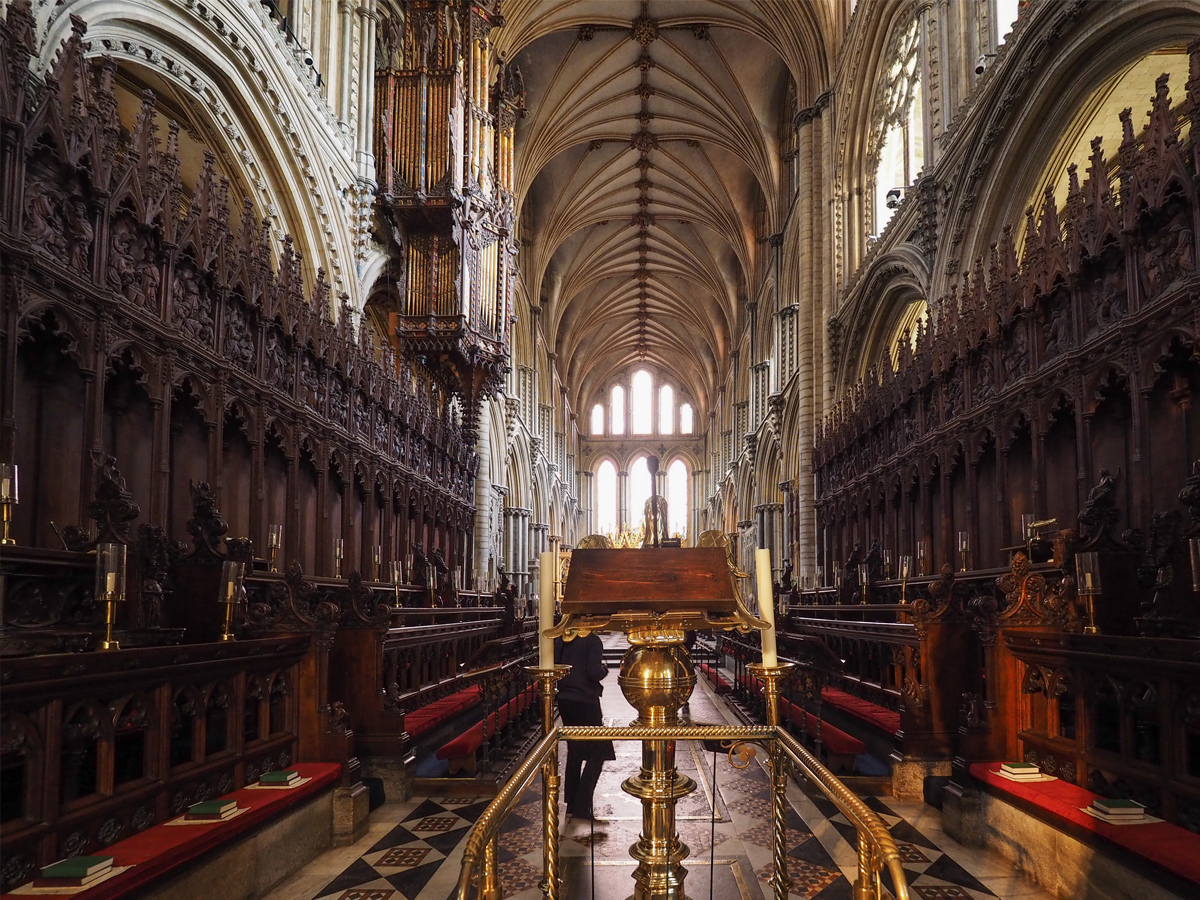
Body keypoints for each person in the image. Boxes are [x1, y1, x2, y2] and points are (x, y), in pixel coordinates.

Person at [554, 632, 615, 820]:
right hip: (585, 700)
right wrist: (604, 669)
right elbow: (593, 672)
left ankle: (572, 803)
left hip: (565, 700)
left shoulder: (560, 638)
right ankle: (581, 805)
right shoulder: (592, 640)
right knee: (599, 752)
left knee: (575, 752)